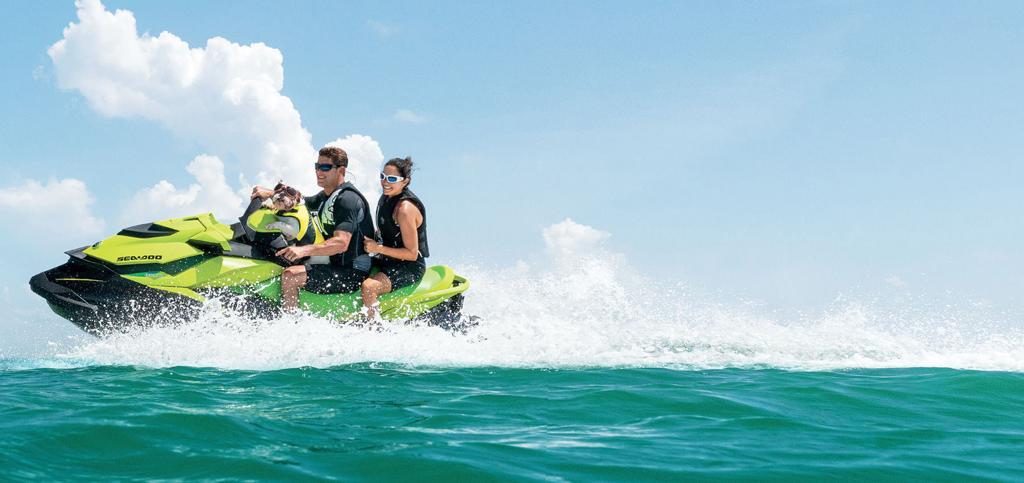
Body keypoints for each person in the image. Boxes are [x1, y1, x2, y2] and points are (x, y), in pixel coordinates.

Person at [251, 146, 375, 311]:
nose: (319, 172)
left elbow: (341, 243)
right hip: (333, 263)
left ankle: (290, 322)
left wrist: (303, 250)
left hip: (352, 271)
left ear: (341, 170)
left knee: (290, 276)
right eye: (317, 166)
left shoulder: (348, 199)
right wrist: (269, 193)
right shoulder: (325, 197)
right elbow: (299, 201)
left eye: (325, 167)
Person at [361, 157, 429, 319]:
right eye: (383, 176)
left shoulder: (405, 209)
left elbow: (412, 254)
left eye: (392, 179)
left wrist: (377, 248)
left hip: (409, 266)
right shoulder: (387, 197)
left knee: (369, 287)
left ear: (405, 181)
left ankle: (374, 327)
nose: (385, 182)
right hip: (387, 260)